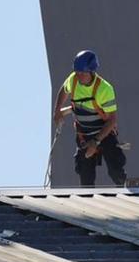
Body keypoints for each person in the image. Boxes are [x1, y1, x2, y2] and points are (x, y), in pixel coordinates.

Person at [52, 50, 126, 187]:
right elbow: (64, 89)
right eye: (77, 72)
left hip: (104, 134)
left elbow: (112, 120)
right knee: (85, 176)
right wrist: (57, 110)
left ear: (91, 71)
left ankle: (127, 194)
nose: (79, 76)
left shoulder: (104, 89)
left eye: (82, 73)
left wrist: (96, 142)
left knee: (116, 171)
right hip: (83, 135)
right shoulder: (73, 79)